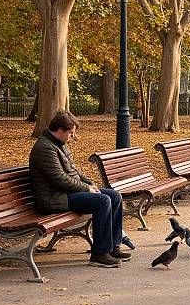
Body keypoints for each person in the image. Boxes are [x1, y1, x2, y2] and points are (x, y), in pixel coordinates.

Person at [29, 110, 130, 268]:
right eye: (71, 133)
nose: (72, 137)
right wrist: (86, 189)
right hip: (53, 198)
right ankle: (99, 253)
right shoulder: (45, 148)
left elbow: (74, 171)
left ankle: (113, 246)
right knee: (102, 201)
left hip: (67, 193)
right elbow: (59, 180)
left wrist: (90, 184)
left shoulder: (59, 144)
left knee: (115, 196)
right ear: (61, 130)